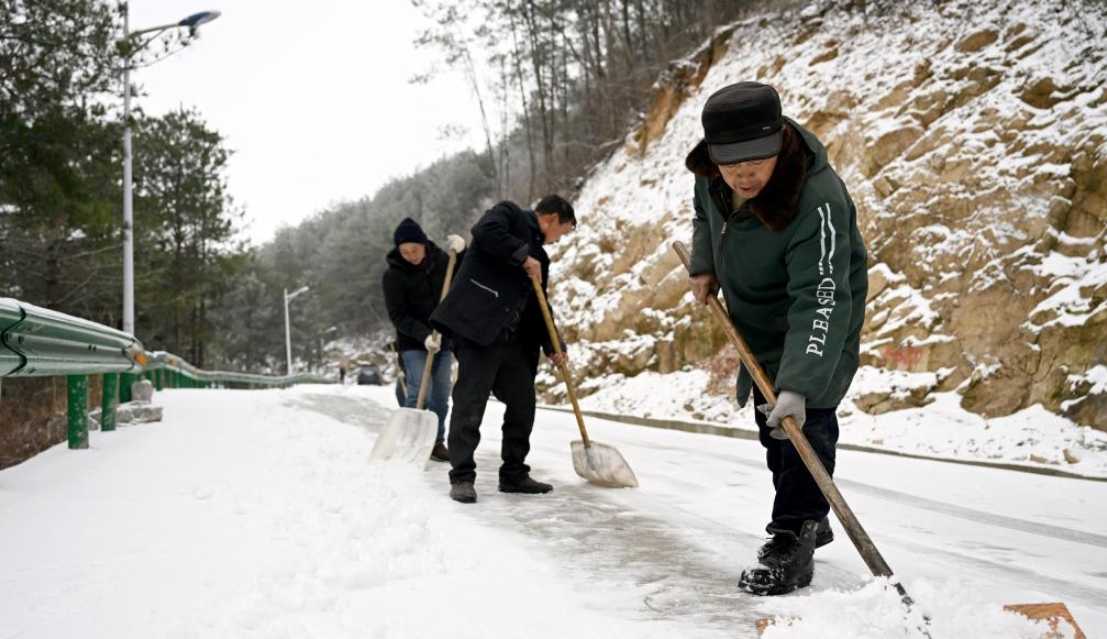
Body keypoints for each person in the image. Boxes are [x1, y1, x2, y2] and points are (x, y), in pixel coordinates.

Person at [685, 81, 868, 596]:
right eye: (731, 164)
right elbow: (705, 214)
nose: (744, 175)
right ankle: (808, 516)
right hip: (757, 318)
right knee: (774, 429)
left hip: (821, 314)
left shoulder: (817, 198)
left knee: (805, 421)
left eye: (756, 162)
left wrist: (802, 382)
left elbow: (822, 298)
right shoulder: (714, 177)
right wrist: (705, 265)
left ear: (781, 143)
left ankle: (793, 536)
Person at [430, 195, 576, 504]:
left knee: (523, 403)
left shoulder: (542, 258)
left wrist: (553, 345)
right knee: (470, 403)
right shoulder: (507, 215)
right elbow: (484, 232)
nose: (559, 238)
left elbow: (539, 306)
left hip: (514, 339)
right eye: (562, 231)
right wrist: (522, 256)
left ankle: (513, 474)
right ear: (549, 219)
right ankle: (462, 477)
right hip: (479, 329)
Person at [382, 217, 466, 462]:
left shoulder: (443, 261)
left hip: (444, 338)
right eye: (405, 252)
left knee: (441, 396)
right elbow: (397, 315)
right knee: (420, 391)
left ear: (424, 244)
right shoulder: (393, 276)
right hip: (412, 341)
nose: (411, 256)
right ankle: (410, 442)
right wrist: (424, 335)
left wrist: (462, 252)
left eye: (414, 250)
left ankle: (435, 441)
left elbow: (463, 275)